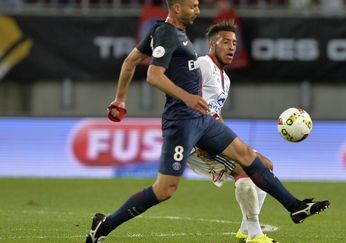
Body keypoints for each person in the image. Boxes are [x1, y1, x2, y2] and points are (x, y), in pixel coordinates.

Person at [85, 0, 330, 242]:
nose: (198, 10)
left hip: (202, 121)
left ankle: (294, 206)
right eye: (193, 5)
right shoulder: (168, 34)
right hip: (182, 123)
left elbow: (130, 61)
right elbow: (153, 75)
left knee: (248, 156)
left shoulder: (174, 35)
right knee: (165, 190)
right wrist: (188, 98)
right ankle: (105, 226)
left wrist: (120, 100)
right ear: (177, 8)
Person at [186, 20, 276, 243]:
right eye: (225, 42)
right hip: (194, 142)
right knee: (243, 170)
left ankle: (245, 230)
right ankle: (255, 236)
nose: (231, 47)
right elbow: (185, 99)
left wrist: (230, 141)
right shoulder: (202, 64)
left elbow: (215, 115)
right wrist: (197, 138)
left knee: (265, 166)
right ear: (212, 44)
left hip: (212, 136)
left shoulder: (225, 79)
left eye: (234, 43)